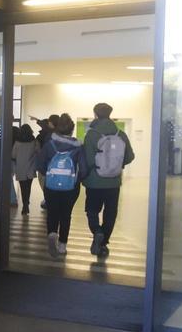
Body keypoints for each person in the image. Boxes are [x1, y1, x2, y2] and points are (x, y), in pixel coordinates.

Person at [82, 102, 135, 258]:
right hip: (113, 182)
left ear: (95, 114)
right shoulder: (121, 134)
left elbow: (88, 159)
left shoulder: (91, 134)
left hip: (94, 181)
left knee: (92, 210)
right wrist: (117, 165)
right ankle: (103, 242)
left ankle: (97, 231)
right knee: (110, 213)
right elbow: (130, 156)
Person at [37, 114, 87, 258]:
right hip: (70, 187)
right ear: (72, 130)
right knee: (66, 215)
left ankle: (52, 234)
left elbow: (40, 165)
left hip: (51, 186)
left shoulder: (49, 144)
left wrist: (49, 173)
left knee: (52, 213)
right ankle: (62, 246)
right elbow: (83, 169)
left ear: (58, 129)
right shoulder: (78, 146)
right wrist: (77, 180)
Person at [12, 124, 39, 215]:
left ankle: (25, 205)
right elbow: (38, 151)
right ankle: (26, 203)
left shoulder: (17, 142)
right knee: (28, 187)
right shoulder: (34, 141)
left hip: (20, 168)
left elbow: (13, 155)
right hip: (30, 168)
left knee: (23, 188)